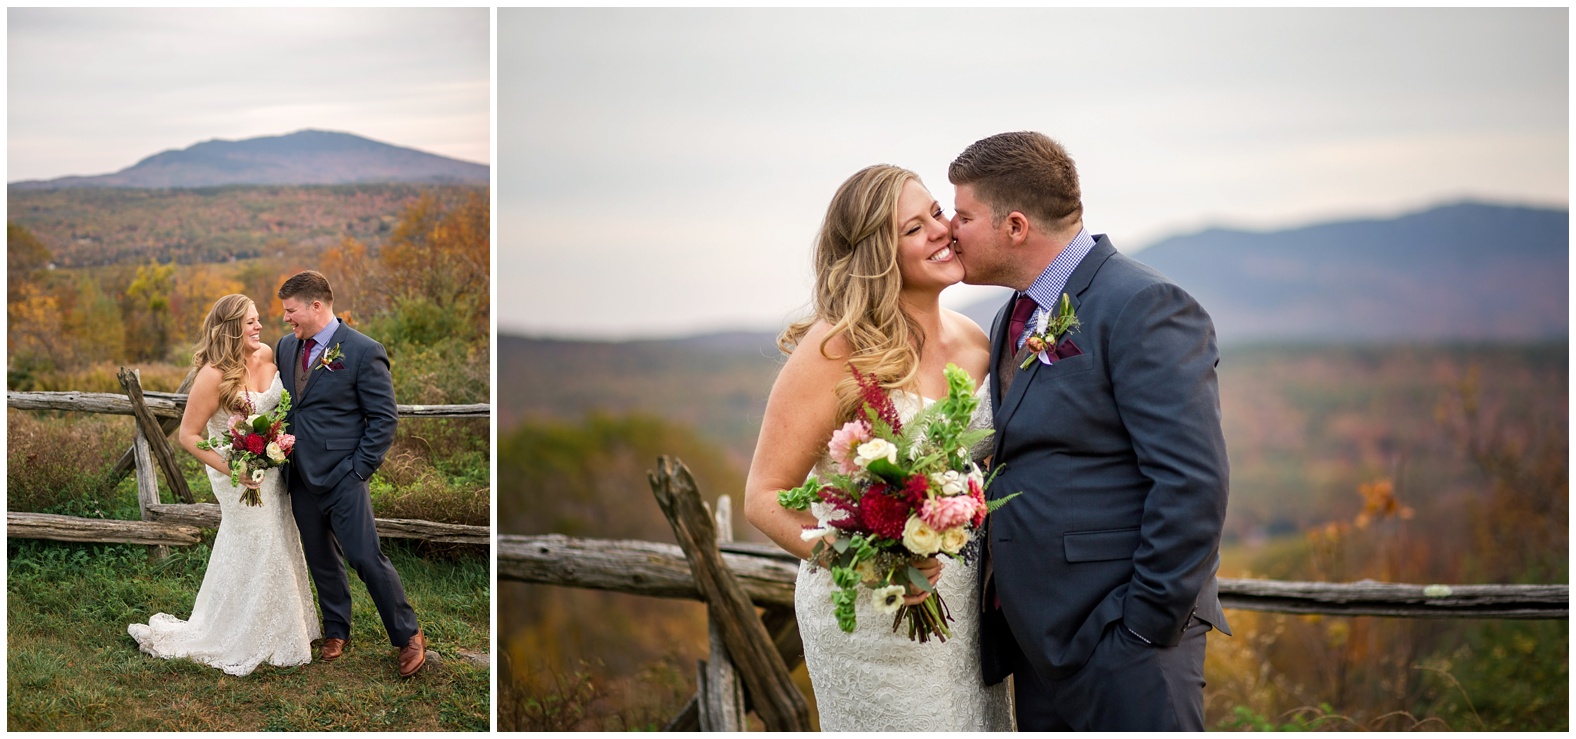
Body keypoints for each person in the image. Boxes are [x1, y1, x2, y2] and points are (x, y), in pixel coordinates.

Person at [948, 131, 1231, 731]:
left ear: (1016, 226)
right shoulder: (1011, 317)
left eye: (964, 214)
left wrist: (1139, 627)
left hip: (1123, 646)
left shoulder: (1144, 304)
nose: (950, 228)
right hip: (1040, 644)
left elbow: (1191, 483)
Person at [744, 165, 1011, 731]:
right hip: (873, 623)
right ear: (878, 258)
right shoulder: (835, 350)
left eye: (937, 213)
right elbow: (764, 497)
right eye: (914, 229)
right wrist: (868, 564)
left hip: (966, 617)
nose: (941, 230)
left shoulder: (977, 343)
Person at [128, 294, 321, 676]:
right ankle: (247, 635)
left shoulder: (268, 355)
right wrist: (234, 468)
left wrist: (275, 448)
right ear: (232, 327)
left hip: (273, 470)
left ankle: (284, 626)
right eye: (250, 321)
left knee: (281, 539)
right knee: (261, 541)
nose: (259, 327)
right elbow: (188, 435)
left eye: (258, 319)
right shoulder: (212, 374)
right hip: (236, 477)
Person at [275, 270, 426, 678]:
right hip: (299, 474)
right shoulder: (286, 348)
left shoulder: (362, 350)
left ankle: (407, 635)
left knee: (364, 556)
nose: (286, 319)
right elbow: (290, 406)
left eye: (291, 311)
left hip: (344, 474)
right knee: (321, 557)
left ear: (316, 307)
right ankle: (337, 629)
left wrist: (359, 468)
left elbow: (383, 418)